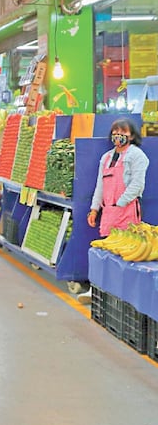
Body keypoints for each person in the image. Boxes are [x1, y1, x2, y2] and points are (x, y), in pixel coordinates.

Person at [78, 118, 149, 304]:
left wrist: (121, 202)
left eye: (123, 132)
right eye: (115, 131)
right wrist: (94, 209)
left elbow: (137, 184)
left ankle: (122, 297)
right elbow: (100, 186)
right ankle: (98, 291)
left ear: (131, 135)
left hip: (127, 212)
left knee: (125, 255)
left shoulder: (137, 156)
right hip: (109, 212)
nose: (118, 135)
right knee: (104, 252)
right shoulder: (106, 158)